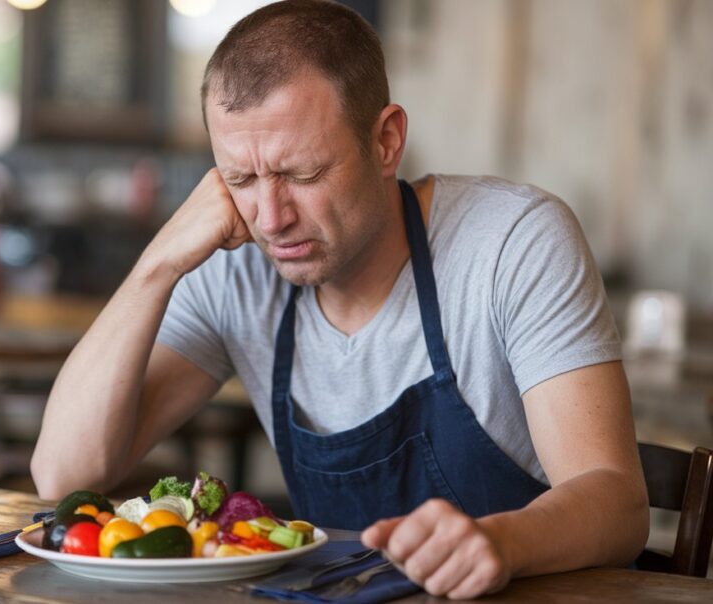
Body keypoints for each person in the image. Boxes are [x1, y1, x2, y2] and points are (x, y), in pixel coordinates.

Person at [32, 0, 648, 598]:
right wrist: (157, 265)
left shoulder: (514, 241)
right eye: (240, 179)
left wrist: (503, 543)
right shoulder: (237, 270)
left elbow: (617, 503)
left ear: (386, 141)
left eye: (302, 175)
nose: (270, 219)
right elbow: (64, 474)